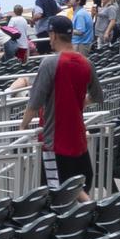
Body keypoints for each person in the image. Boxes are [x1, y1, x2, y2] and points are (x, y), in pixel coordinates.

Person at [22, 16, 101, 199]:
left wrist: (23, 127)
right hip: (79, 139)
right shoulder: (86, 63)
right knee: (76, 188)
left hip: (54, 143)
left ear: (53, 35)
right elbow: (97, 96)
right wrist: (78, 102)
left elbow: (34, 102)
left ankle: (96, 213)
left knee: (62, 192)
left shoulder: (50, 63)